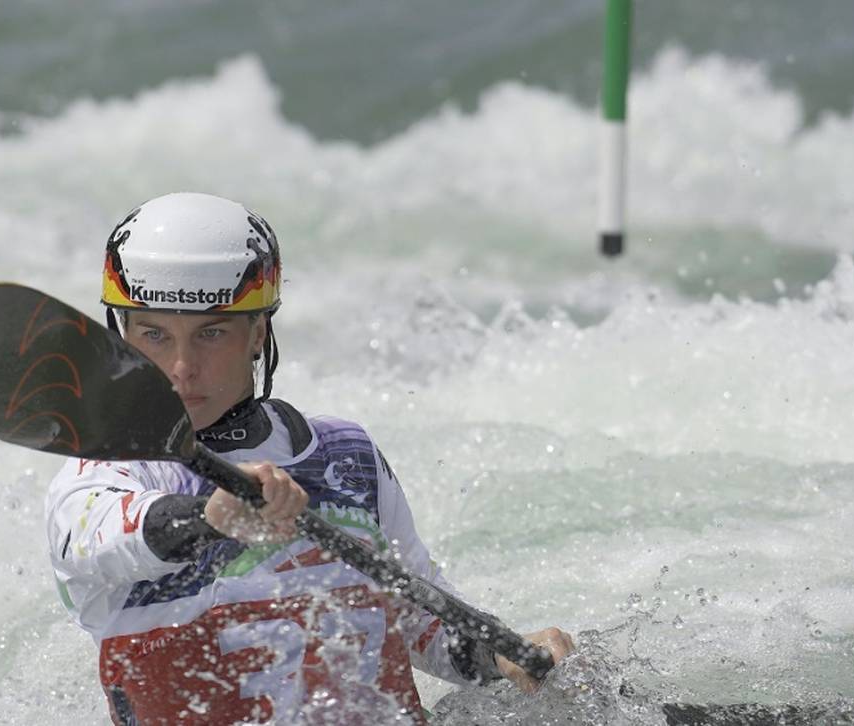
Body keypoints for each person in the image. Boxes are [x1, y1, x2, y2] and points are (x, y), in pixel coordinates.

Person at [45, 192, 575, 725]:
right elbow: (98, 539)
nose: (182, 367)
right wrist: (210, 519)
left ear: (257, 334)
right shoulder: (109, 473)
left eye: (211, 333)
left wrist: (502, 654)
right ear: (123, 337)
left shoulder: (347, 456)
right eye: (154, 334)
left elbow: (420, 618)